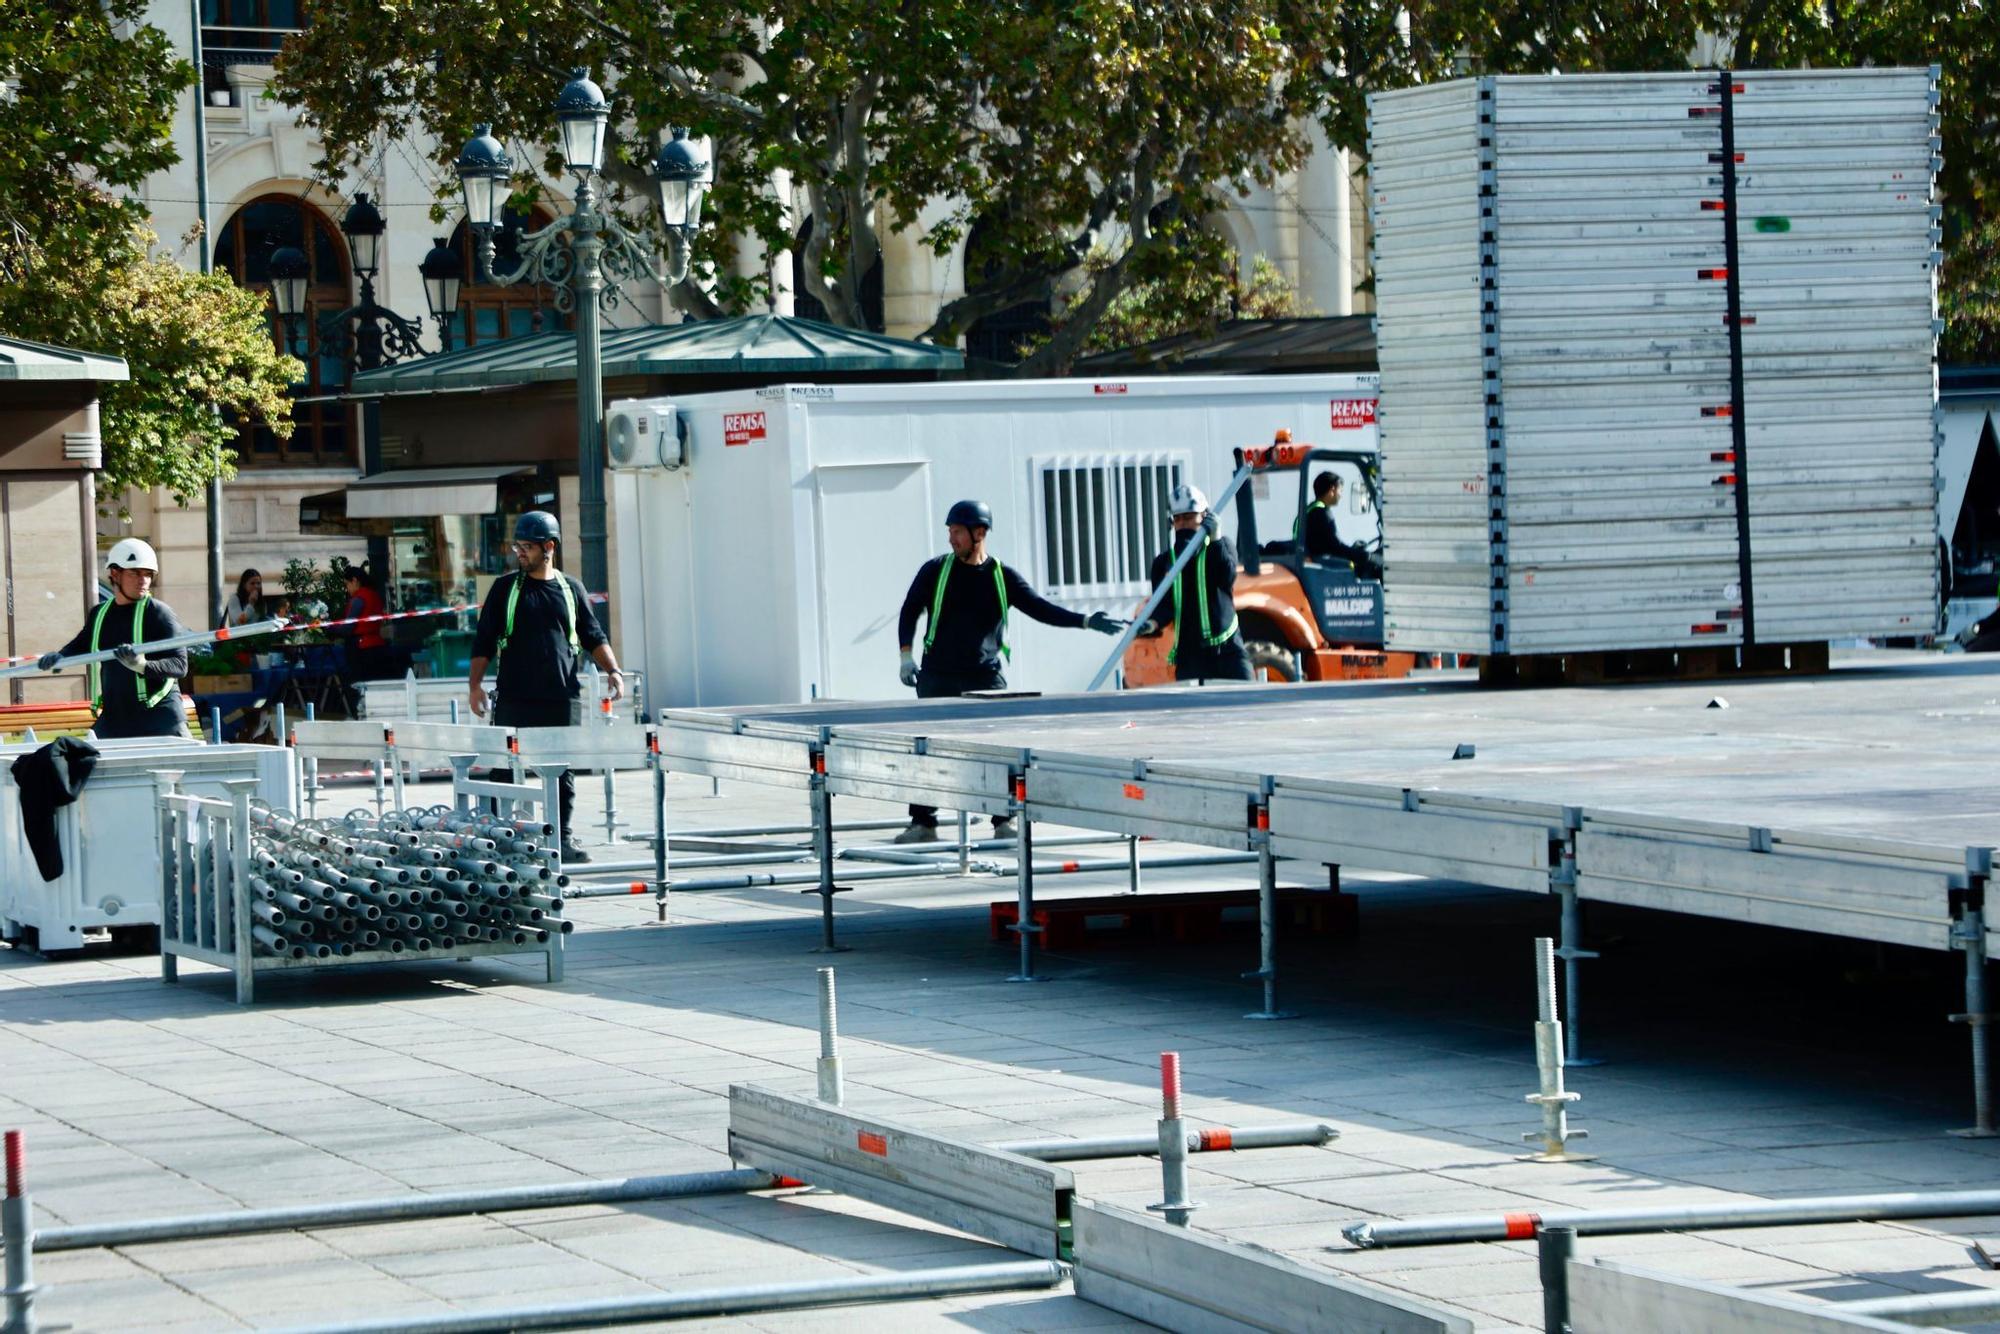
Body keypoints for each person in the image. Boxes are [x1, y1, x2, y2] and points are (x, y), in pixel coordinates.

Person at [894, 499, 1126, 844]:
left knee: (998, 750)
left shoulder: (1001, 577)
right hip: (938, 675)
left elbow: (1039, 608)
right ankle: (922, 823)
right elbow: (910, 609)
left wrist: (1086, 620)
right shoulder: (935, 571)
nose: (951, 538)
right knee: (927, 748)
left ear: (979, 533)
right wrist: (906, 656)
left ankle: (1003, 821)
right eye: (950, 532)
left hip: (984, 676)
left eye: (957, 532)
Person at [468, 512, 623, 863]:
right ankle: (500, 838)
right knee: (505, 770)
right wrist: (475, 686)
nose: (520, 553)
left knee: (561, 773)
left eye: (527, 546)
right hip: (515, 697)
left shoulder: (571, 589)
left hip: (561, 698)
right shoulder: (506, 589)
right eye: (517, 546)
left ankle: (561, 839)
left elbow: (593, 635)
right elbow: (484, 640)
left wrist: (613, 670)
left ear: (549, 547)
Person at [37, 538, 192, 739]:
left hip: (160, 718)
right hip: (115, 719)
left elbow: (180, 665)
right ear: (115, 574)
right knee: (82, 756)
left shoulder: (159, 613)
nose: (143, 580)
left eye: (147, 574)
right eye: (134, 573)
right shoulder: (100, 614)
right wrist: (60, 656)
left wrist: (141, 665)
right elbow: (82, 643)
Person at [1137, 483, 1253, 682]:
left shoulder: (1222, 546)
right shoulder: (1164, 563)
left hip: (1227, 650)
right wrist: (1151, 624)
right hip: (1190, 656)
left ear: (1204, 516)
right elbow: (1164, 605)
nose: (1183, 524)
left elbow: (1227, 578)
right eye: (1178, 519)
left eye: (1189, 517)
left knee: (1249, 697)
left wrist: (1215, 540)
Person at [1299, 472, 1373, 574]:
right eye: (1340, 490)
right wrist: (1364, 555)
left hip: (1314, 559)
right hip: (1320, 563)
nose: (1341, 495)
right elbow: (1336, 547)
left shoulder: (1309, 509)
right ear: (1333, 489)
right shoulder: (1322, 512)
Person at [338, 566, 401, 682]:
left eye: (347, 584)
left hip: (361, 648)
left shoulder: (358, 599)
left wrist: (332, 630)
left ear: (354, 581)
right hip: (378, 644)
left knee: (361, 683)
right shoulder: (375, 596)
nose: (347, 589)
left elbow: (348, 627)